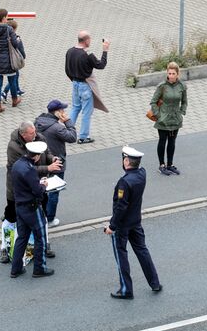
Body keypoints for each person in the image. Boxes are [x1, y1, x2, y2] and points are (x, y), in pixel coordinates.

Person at [105, 146, 162, 299]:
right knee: (142, 251)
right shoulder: (142, 174)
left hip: (123, 225)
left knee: (121, 255)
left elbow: (121, 207)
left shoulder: (124, 182)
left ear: (126, 161)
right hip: (136, 221)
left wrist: (111, 226)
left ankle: (126, 290)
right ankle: (155, 282)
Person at [2, 121, 62, 263]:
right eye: (31, 133)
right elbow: (23, 170)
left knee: (42, 216)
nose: (35, 134)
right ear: (23, 135)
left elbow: (46, 153)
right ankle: (5, 247)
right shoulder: (13, 147)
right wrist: (48, 168)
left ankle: (44, 244)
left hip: (38, 187)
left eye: (35, 131)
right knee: (11, 218)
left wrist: (52, 159)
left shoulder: (39, 137)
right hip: (17, 191)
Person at [10, 140, 53, 279]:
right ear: (37, 156)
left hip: (20, 206)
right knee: (40, 237)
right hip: (32, 208)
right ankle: (39, 268)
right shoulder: (30, 169)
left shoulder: (17, 164)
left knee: (22, 238)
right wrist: (44, 185)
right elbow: (38, 191)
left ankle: (16, 268)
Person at [34, 99, 77, 227]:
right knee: (54, 190)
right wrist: (68, 122)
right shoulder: (57, 128)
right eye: (62, 110)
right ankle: (50, 218)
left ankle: (40, 214)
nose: (64, 112)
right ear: (57, 112)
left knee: (41, 188)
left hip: (40, 162)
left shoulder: (38, 121)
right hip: (56, 162)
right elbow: (72, 137)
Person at [65, 31, 110, 144]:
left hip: (75, 84)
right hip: (85, 86)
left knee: (75, 108)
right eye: (90, 39)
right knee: (86, 112)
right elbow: (101, 65)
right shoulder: (87, 55)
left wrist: (74, 80)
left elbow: (67, 69)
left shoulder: (70, 51)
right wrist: (105, 50)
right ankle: (83, 137)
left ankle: (67, 133)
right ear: (86, 40)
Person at [151, 62, 187, 176]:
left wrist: (181, 112)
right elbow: (153, 102)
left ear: (177, 74)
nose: (171, 76)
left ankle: (170, 165)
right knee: (162, 141)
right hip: (163, 119)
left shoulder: (182, 86)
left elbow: (184, 102)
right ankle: (162, 165)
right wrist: (158, 115)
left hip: (175, 118)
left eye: (173, 73)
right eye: (169, 73)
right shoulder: (162, 86)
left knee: (172, 142)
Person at [0, 8, 22, 114]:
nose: (7, 18)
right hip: (9, 60)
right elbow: (15, 44)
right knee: (12, 81)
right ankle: (14, 100)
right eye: (6, 16)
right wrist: (18, 40)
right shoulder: (9, 29)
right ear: (3, 18)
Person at [1, 19, 26, 101]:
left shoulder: (4, 38)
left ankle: (17, 90)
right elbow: (21, 50)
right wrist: (23, 57)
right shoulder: (16, 38)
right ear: (14, 29)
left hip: (6, 60)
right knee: (14, 78)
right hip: (14, 61)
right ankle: (5, 92)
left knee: (16, 76)